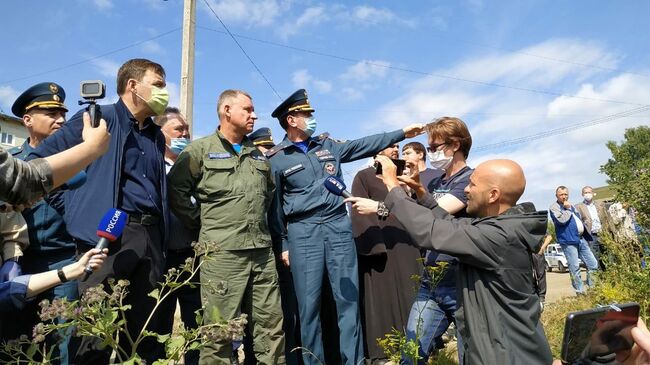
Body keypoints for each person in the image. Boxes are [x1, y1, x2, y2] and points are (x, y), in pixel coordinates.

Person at [266, 88, 425, 365]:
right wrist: (284, 244)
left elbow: (364, 143)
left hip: (338, 226)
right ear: (291, 120)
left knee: (348, 301)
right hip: (303, 231)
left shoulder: (329, 146)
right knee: (309, 306)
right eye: (306, 114)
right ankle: (313, 361)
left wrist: (401, 133)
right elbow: (275, 208)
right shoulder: (276, 158)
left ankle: (353, 360)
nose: (311, 118)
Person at [28, 58, 171, 364]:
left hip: (150, 235)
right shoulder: (97, 118)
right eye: (158, 84)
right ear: (133, 86)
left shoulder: (156, 136)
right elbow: (39, 166)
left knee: (144, 332)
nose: (164, 92)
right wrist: (74, 208)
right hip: (108, 235)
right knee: (95, 333)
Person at [371, 157, 553, 364]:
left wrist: (392, 186)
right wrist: (422, 194)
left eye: (472, 184)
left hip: (506, 356)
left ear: (493, 195)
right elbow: (452, 226)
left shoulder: (499, 237)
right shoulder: (500, 228)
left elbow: (429, 231)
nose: (466, 190)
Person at [168, 89, 285, 365]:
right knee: (219, 331)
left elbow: (267, 196)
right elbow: (176, 193)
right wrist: (203, 223)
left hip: (261, 254)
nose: (254, 115)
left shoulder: (257, 155)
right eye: (248, 109)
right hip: (221, 255)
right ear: (227, 111)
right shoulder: (199, 151)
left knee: (270, 328)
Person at [347, 116, 474, 364]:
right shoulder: (437, 182)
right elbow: (420, 211)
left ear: (455, 145)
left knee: (470, 350)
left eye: (434, 148)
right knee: (412, 352)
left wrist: (382, 204)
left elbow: (431, 217)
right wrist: (416, 189)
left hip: (458, 277)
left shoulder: (469, 181)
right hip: (431, 278)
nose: (430, 153)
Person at [5, 82, 80, 364]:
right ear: (27, 120)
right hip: (17, 264)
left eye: (62, 113)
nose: (60, 119)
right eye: (50, 113)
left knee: (63, 342)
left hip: (63, 261)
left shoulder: (74, 162)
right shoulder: (11, 166)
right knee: (16, 341)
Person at [349, 144, 422, 365]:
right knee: (383, 299)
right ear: (376, 153)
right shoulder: (364, 176)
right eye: (390, 146)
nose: (395, 150)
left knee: (414, 292)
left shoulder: (405, 178)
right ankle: (384, 352)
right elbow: (359, 209)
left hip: (408, 243)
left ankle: (419, 345)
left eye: (397, 147)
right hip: (381, 248)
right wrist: (374, 248)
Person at [154, 107, 201, 365]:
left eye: (186, 130)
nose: (185, 134)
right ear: (161, 135)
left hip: (193, 258)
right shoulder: (153, 166)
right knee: (160, 325)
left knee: (197, 324)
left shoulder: (196, 167)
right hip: (162, 259)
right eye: (178, 130)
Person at [0, 115, 109, 207]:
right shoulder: (12, 159)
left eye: (63, 115)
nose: (61, 120)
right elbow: (27, 179)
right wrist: (92, 147)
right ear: (28, 120)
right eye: (52, 114)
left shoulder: (78, 159)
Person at [550, 186, 599, 295]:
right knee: (575, 268)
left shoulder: (571, 205)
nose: (564, 196)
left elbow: (578, 218)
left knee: (593, 264)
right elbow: (561, 221)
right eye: (561, 194)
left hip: (581, 239)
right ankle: (580, 293)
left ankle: (593, 290)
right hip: (568, 241)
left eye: (566, 194)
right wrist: (567, 209)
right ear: (556, 196)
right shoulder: (554, 207)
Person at [575, 186, 609, 267]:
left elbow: (606, 218)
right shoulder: (579, 206)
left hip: (603, 234)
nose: (587, 194)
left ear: (593, 193)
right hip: (591, 236)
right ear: (582, 194)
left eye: (589, 192)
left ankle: (607, 277)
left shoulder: (600, 204)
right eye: (585, 193)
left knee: (606, 257)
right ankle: (598, 277)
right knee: (595, 259)